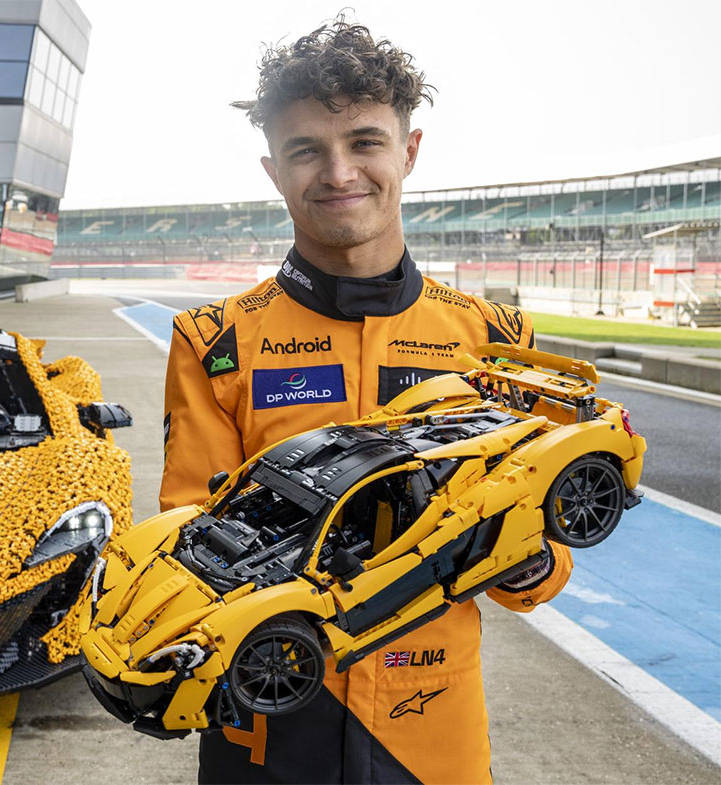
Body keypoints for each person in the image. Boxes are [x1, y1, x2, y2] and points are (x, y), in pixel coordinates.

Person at [159, 19, 572, 785]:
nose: (338, 171)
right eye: (306, 149)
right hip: (269, 715)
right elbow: (192, 540)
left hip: (431, 730)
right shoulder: (214, 341)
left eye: (365, 141)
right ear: (273, 171)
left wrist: (529, 558)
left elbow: (547, 553)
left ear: (409, 152)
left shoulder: (494, 338)